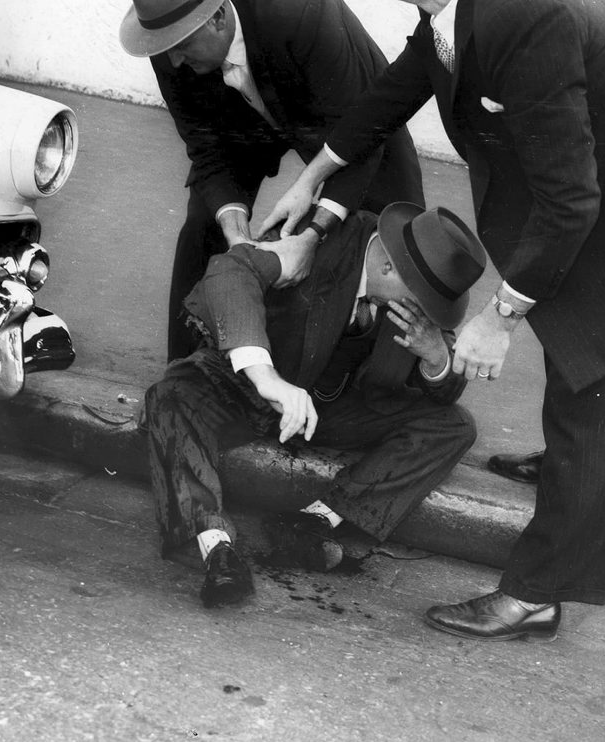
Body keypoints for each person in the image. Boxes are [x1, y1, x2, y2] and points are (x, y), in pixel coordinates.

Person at [258, 0, 605, 641]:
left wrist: (497, 318)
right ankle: (603, 451)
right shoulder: (462, 0)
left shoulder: (524, 17)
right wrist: (314, 176)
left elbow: (572, 201)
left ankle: (539, 592)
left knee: (600, 372)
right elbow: (396, 89)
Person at [142, 203, 486, 608]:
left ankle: (313, 520)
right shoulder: (314, 239)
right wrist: (267, 378)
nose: (429, 314)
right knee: (170, 396)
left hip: (332, 410)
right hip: (244, 389)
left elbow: (444, 389)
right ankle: (215, 546)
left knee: (453, 427)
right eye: (424, 300)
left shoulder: (421, 284)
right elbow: (231, 272)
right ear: (390, 269)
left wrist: (435, 356)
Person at [119, 0, 425, 362]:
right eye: (165, 46)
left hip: (347, 119)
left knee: (398, 235)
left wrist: (313, 235)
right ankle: (186, 369)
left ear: (218, 18)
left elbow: (364, 135)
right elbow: (206, 150)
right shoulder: (171, 49)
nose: (173, 59)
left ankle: (393, 367)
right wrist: (235, 235)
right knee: (203, 224)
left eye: (181, 45)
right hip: (245, 126)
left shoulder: (304, 9)